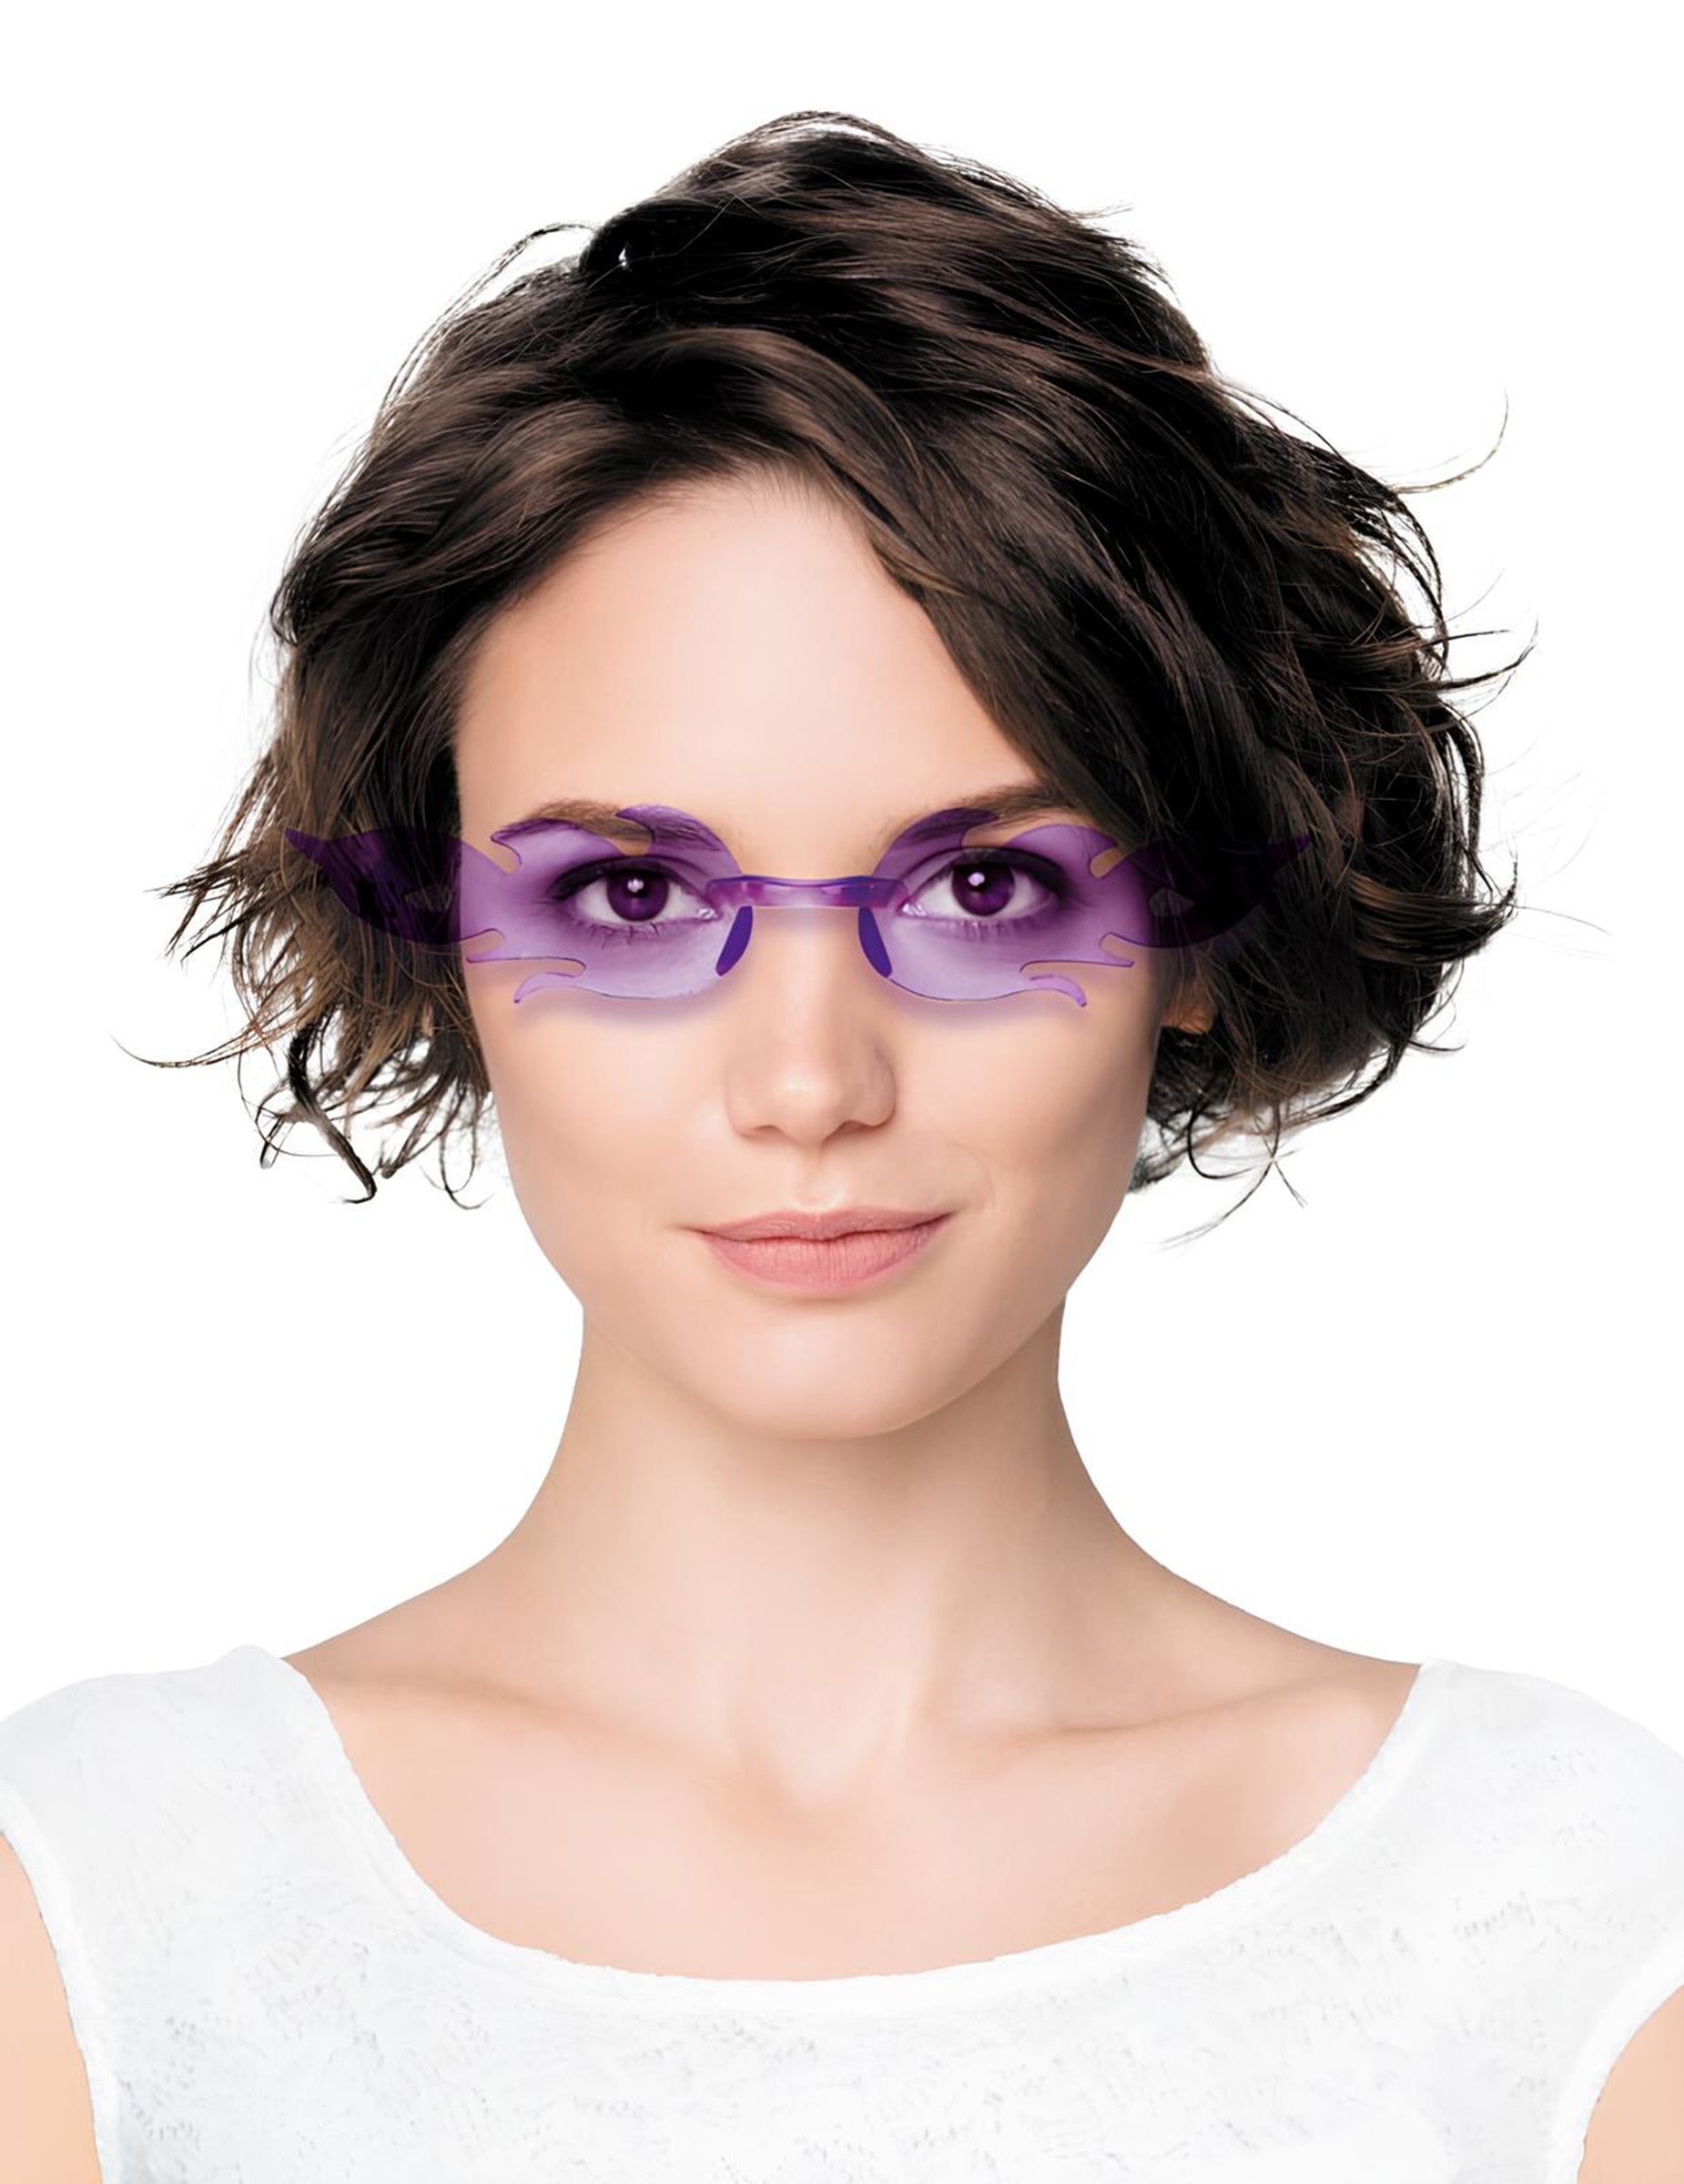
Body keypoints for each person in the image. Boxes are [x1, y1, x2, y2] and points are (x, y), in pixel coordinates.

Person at [3, 109, 1679, 2181]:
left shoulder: (1574, 1941)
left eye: (982, 892)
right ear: (446, 937)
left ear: (1191, 933)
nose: (808, 1081)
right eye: (631, 897)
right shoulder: (94, 1927)